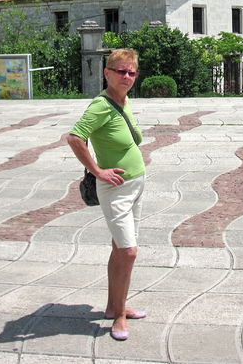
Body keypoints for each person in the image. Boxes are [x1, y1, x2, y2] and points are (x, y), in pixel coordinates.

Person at [67, 48, 146, 341]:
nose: (126, 76)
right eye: (120, 71)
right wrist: (98, 170)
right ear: (107, 73)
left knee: (119, 249)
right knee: (128, 252)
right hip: (116, 190)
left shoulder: (123, 101)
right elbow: (75, 137)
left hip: (135, 184)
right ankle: (120, 317)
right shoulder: (100, 106)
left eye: (131, 72)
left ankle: (115, 306)